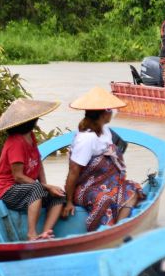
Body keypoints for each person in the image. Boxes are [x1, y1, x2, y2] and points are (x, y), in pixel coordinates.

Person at [62, 87, 145, 233]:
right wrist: (68, 201)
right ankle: (105, 232)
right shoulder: (87, 139)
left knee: (134, 189)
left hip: (107, 183)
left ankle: (119, 228)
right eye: (109, 110)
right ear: (103, 114)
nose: (112, 112)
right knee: (104, 200)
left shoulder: (105, 130)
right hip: (86, 188)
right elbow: (74, 171)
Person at [0, 98, 66, 241]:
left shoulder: (30, 136)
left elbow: (38, 162)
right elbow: (18, 177)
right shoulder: (15, 142)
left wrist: (47, 186)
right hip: (7, 190)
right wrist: (45, 187)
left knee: (59, 195)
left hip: (26, 188)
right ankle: (31, 234)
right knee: (37, 188)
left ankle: (45, 232)